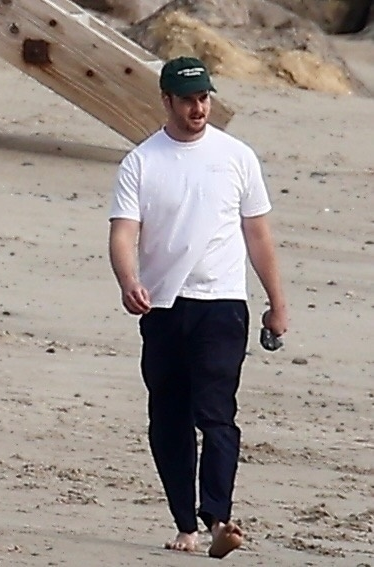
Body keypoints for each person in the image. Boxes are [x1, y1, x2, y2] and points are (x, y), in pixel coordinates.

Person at [107, 56, 288, 558]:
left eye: (204, 97)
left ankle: (219, 519)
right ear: (166, 100)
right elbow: (123, 232)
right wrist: (129, 282)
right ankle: (185, 523)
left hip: (223, 304)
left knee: (216, 414)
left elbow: (258, 234)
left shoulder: (236, 156)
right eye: (187, 99)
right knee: (168, 418)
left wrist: (277, 302)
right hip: (162, 306)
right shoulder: (142, 162)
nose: (198, 107)